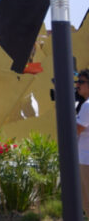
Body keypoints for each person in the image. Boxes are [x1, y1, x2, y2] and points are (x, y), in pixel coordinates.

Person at [76, 69, 89, 217]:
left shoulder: (87, 106)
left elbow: (75, 130)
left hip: (86, 160)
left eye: (81, 82)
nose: (77, 85)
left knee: (87, 202)